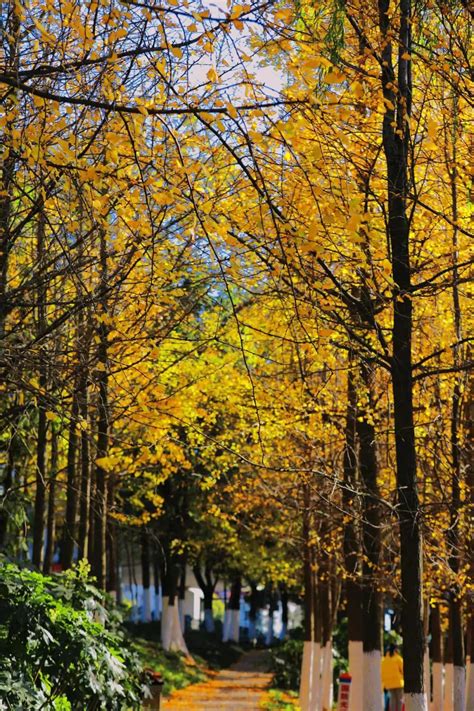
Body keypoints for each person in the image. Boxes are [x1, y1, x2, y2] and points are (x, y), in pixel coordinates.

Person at [381, 644, 404, 711]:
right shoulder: (398, 659)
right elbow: (403, 670)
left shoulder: (384, 660)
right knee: (399, 700)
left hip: (388, 684)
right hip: (398, 683)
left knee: (392, 700)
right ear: (395, 650)